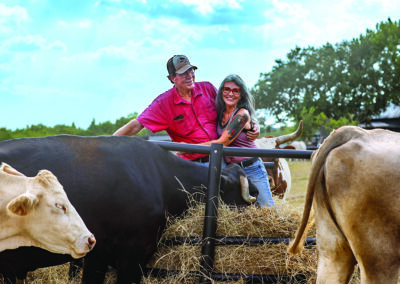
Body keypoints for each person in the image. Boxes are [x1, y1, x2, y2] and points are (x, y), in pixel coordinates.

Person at [113, 55, 259, 166]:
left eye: (191, 71)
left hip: (220, 160)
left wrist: (252, 125)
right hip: (191, 165)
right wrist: (107, 144)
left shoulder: (208, 89)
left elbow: (231, 112)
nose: (190, 76)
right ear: (172, 78)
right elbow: (136, 125)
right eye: (183, 73)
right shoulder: (163, 104)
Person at [196, 74, 275, 207]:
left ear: (241, 94)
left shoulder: (242, 114)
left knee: (268, 210)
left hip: (251, 167)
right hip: (231, 171)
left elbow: (222, 142)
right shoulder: (220, 113)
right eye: (226, 89)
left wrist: (188, 147)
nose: (230, 94)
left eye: (235, 91)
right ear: (221, 92)